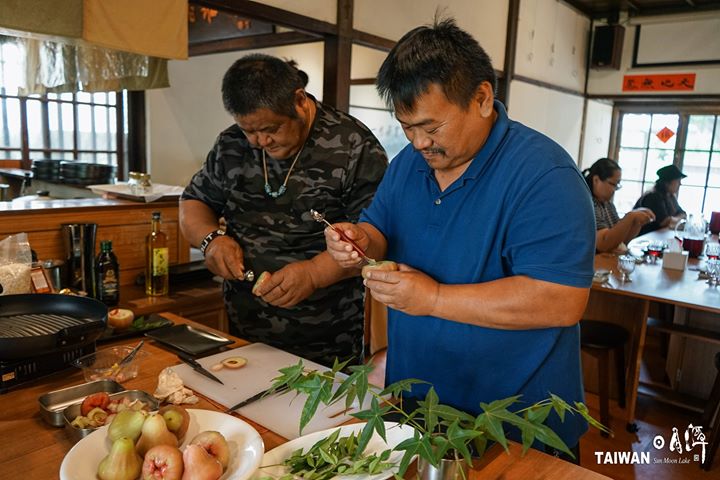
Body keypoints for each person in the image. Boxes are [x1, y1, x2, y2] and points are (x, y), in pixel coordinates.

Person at [324, 18, 595, 457]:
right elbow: (379, 231)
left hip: (517, 421)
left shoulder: (545, 175)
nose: (418, 144)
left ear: (482, 98)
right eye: (408, 128)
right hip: (419, 404)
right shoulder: (407, 167)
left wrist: (432, 299)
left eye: (431, 128)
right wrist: (357, 240)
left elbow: (561, 300)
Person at [180, 54, 388, 366]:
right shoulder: (231, 144)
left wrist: (315, 274)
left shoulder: (353, 145)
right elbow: (193, 201)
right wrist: (211, 241)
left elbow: (375, 236)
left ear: (299, 100)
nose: (260, 141)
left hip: (328, 333)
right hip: (244, 326)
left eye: (271, 128)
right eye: (249, 130)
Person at [583, 157, 655, 252]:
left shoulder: (608, 205)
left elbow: (620, 241)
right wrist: (630, 217)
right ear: (596, 180)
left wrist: (636, 223)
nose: (614, 190)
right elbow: (603, 243)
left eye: (617, 185)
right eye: (612, 184)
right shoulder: (587, 204)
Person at [634, 165, 687, 235]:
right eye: (678, 181)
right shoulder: (653, 196)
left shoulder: (670, 196)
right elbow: (664, 222)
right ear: (667, 182)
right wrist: (675, 220)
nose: (680, 184)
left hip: (658, 235)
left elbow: (683, 214)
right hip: (646, 236)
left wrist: (673, 219)